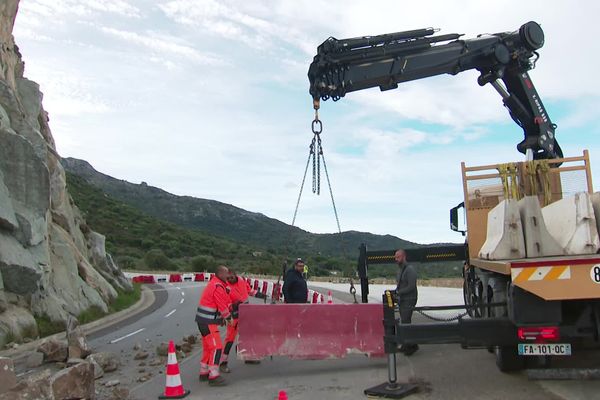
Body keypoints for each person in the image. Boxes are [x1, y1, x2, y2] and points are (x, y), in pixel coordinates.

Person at [195, 265, 233, 386]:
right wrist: (228, 318)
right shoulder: (218, 286)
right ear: (220, 274)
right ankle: (214, 375)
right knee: (217, 347)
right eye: (227, 273)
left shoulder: (214, 283)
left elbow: (215, 305)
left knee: (208, 347)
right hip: (208, 322)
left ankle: (204, 371)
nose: (229, 275)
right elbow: (221, 305)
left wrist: (220, 318)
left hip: (203, 321)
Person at [219, 269, 257, 373]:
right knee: (229, 339)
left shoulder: (241, 280)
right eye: (228, 278)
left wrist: (260, 294)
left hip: (246, 313)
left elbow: (250, 291)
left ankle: (247, 356)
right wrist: (234, 306)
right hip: (233, 316)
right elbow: (224, 303)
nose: (230, 280)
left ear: (235, 275)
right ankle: (223, 363)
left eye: (231, 277)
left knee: (247, 335)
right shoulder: (225, 286)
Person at [395, 249, 419, 356]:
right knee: (405, 321)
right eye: (395, 258)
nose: (396, 259)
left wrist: (399, 292)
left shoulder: (409, 270)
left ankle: (410, 344)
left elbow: (411, 286)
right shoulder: (400, 270)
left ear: (404, 257)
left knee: (405, 321)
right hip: (403, 299)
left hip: (409, 299)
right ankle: (410, 344)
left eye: (398, 257)